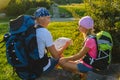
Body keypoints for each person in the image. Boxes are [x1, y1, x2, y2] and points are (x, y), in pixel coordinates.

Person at [34, 7, 71, 74]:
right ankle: (66, 73)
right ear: (41, 18)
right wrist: (65, 46)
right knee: (59, 56)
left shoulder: (31, 30)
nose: (49, 21)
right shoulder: (44, 32)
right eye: (48, 18)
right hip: (40, 68)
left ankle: (54, 72)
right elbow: (55, 56)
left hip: (28, 66)